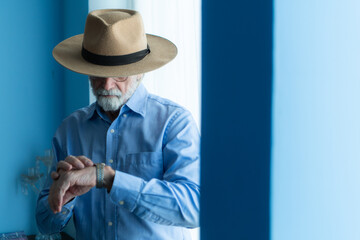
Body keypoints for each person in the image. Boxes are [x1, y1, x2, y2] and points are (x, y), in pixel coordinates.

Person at [35, 9, 200, 240]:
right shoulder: (69, 130)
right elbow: (44, 224)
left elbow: (193, 209)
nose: (107, 84)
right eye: (97, 73)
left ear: (140, 72)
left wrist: (108, 178)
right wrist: (65, 197)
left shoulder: (174, 123)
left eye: (120, 74)